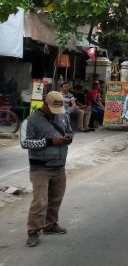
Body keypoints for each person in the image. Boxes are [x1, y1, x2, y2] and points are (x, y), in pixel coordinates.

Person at [21, 91, 74, 247]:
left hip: (59, 165)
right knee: (40, 202)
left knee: (56, 198)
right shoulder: (31, 121)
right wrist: (50, 141)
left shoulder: (63, 116)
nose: (55, 113)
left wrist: (68, 138)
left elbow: (70, 131)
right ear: (45, 104)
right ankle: (33, 231)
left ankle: (50, 225)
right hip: (40, 168)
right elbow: (25, 143)